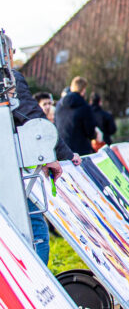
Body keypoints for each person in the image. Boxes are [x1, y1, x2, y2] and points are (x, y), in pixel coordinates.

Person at [3, 32, 81, 265]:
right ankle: (38, 295)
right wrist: (57, 155)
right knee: (34, 226)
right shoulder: (8, 79)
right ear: (7, 53)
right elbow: (31, 118)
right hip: (5, 172)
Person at [55, 76, 98, 156]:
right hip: (81, 151)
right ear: (83, 90)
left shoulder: (59, 105)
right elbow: (90, 132)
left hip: (63, 150)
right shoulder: (84, 106)